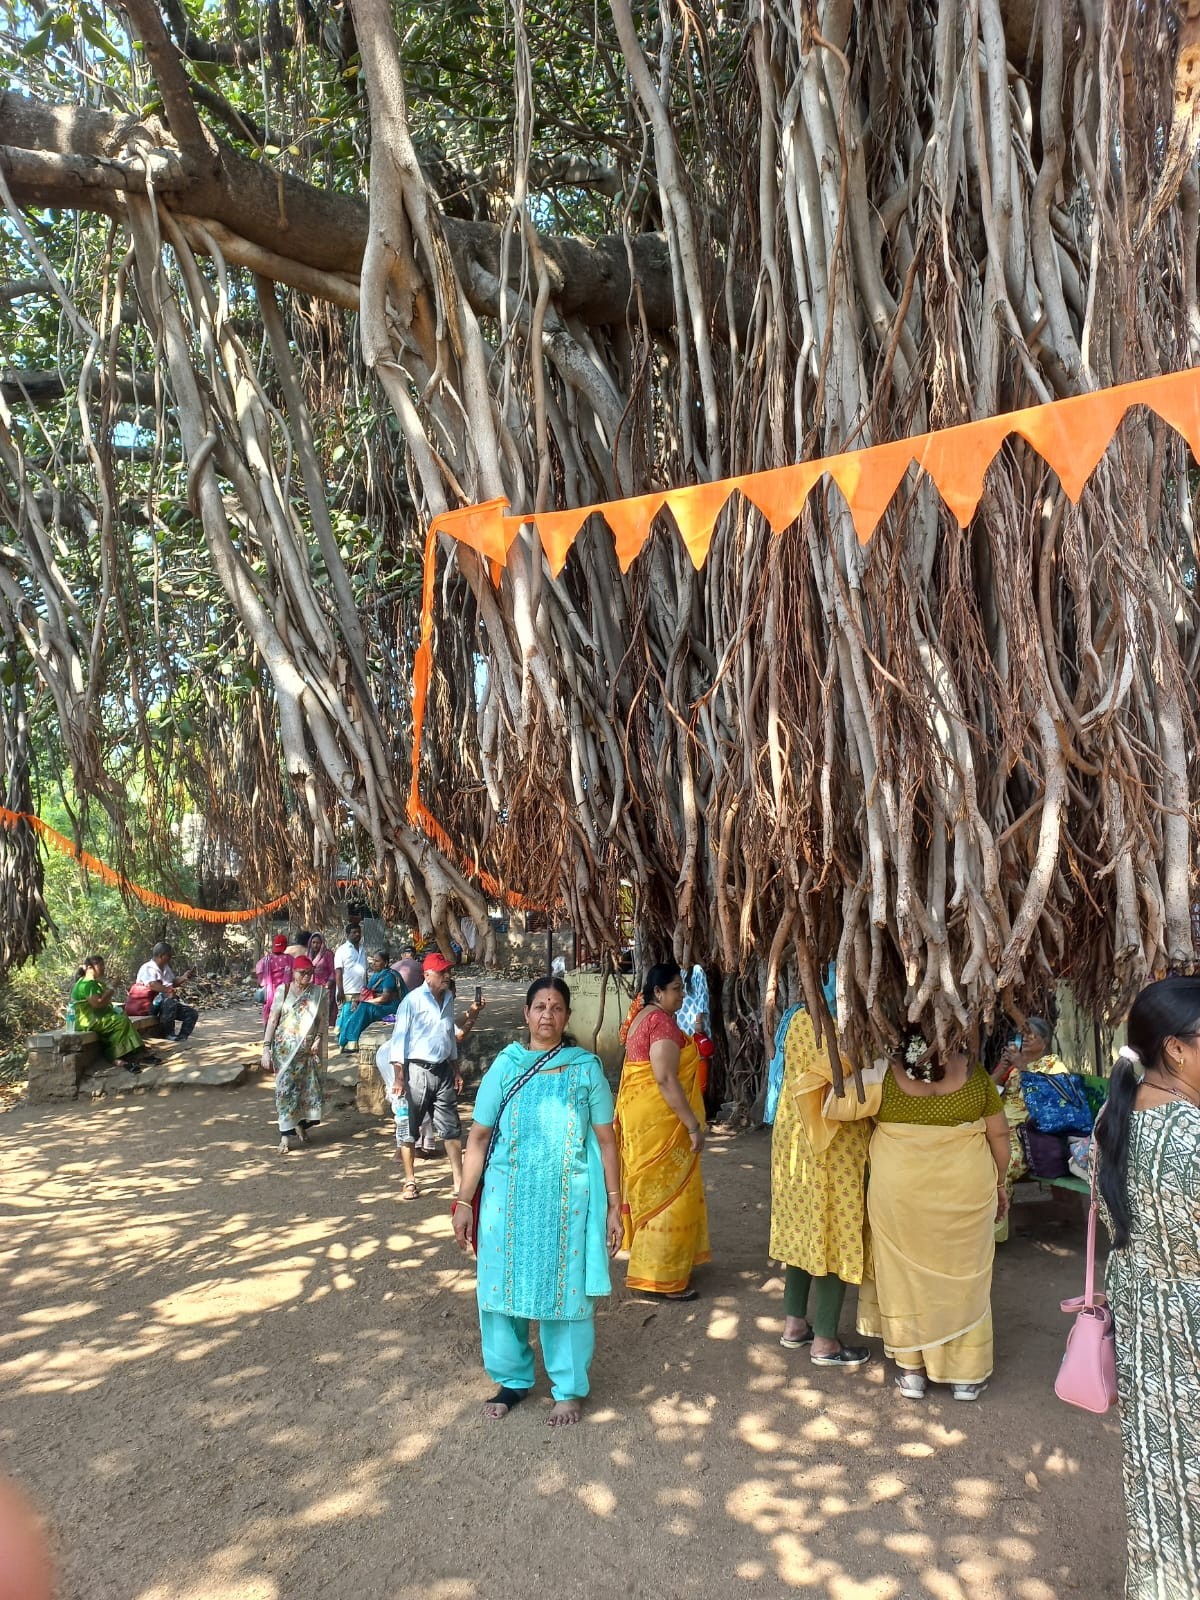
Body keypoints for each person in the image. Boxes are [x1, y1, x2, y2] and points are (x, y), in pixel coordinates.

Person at [452, 976, 623, 1425]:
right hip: (506, 1205)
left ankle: (568, 1388)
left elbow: (607, 1141)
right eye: (540, 1006)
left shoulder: (585, 1068)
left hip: (566, 1206)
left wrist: (613, 1204)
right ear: (526, 1014)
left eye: (557, 1007)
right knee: (501, 1289)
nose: (548, 1014)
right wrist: (465, 1201)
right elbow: (480, 1136)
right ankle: (512, 1381)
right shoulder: (506, 1066)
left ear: (567, 1016)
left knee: (564, 1294)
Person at [1094, 976, 1200, 1600]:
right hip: (1188, 1323)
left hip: (1143, 1325)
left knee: (1160, 1479)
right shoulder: (1192, 1137)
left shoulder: (1115, 1114)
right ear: (1178, 1049)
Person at [856, 1030, 1009, 1400]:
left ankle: (912, 1373)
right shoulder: (975, 1077)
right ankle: (966, 1377)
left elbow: (836, 1103)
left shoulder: (884, 1077)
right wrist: (1001, 1184)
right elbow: (1000, 1136)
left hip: (900, 1195)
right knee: (963, 1278)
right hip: (965, 1192)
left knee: (904, 1278)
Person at [770, 1005, 874, 1369]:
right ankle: (826, 1341)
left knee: (802, 1229)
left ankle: (795, 1324)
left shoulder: (797, 1016)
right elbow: (847, 1080)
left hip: (793, 1137)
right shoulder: (847, 1023)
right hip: (833, 1142)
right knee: (834, 1230)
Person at [614, 960, 711, 1301]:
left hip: (640, 1116)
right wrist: (692, 1125)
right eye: (676, 989)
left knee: (651, 1187)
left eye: (682, 988)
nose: (682, 995)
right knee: (669, 1191)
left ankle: (652, 1267)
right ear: (658, 992)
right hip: (660, 1121)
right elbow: (665, 1077)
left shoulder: (640, 1015)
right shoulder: (662, 1024)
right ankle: (664, 1276)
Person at [387, 952, 480, 1199]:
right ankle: (410, 1180)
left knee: (451, 1127)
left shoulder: (448, 998)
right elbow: (399, 1040)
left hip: (442, 1071)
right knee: (409, 1127)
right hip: (416, 1070)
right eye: (442, 972)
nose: (447, 976)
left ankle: (458, 1181)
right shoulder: (412, 1001)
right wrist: (398, 1076)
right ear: (428, 975)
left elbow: (448, 1036)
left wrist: (456, 1068)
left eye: (448, 971)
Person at [990, 1016, 1067, 1241]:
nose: (1023, 1039)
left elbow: (1045, 1101)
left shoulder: (1053, 1066)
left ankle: (994, 1234)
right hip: (999, 1129)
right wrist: (1002, 1069)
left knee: (999, 1168)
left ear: (1043, 1042)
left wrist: (1021, 1066)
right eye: (1021, 1035)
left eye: (1030, 1035)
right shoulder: (1013, 1066)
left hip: (1028, 1136)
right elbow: (988, 1093)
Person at [262, 955, 328, 1153]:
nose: (307, 977)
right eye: (302, 973)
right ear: (294, 973)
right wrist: (266, 1048)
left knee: (306, 1089)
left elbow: (322, 1021)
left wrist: (318, 1040)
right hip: (284, 1051)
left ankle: (301, 1124)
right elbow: (273, 1020)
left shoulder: (318, 993)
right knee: (285, 1090)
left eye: (310, 973)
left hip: (307, 1051)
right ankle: (285, 1136)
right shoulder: (284, 991)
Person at [69, 956, 159, 1072]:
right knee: (121, 1022)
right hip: (87, 1020)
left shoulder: (93, 983)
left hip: (95, 1017)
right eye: (100, 965)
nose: (103, 968)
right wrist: (112, 988)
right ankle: (120, 1055)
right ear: (90, 968)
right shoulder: (87, 984)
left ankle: (134, 1053)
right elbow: (98, 1003)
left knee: (122, 1017)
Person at [337, 949, 400, 1051]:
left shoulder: (388, 976)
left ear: (385, 963)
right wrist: (356, 1001)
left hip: (389, 1007)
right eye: (373, 961)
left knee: (365, 1007)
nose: (374, 964)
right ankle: (344, 1038)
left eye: (377, 961)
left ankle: (350, 1040)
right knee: (350, 1006)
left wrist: (366, 1002)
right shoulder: (375, 975)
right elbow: (368, 993)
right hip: (377, 1004)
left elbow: (385, 998)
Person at [134, 943, 198, 1041]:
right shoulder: (147, 968)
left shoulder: (165, 968)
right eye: (169, 955)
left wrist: (184, 977)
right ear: (161, 955)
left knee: (191, 1013)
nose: (170, 958)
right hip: (148, 1006)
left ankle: (182, 1037)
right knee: (170, 1001)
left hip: (164, 1005)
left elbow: (172, 982)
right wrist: (168, 990)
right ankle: (169, 1034)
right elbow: (151, 984)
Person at [254, 934, 294, 1028]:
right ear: (285, 946)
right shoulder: (290, 959)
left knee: (269, 1019)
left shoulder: (265, 960)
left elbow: (260, 978)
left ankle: (268, 1039)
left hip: (269, 995)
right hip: (286, 993)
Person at [333, 922, 368, 1016]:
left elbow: (365, 971)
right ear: (348, 935)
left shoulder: (362, 949)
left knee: (357, 1020)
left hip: (361, 992)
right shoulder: (342, 950)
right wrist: (340, 990)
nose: (357, 934)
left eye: (359, 932)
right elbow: (338, 971)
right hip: (347, 992)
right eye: (354, 932)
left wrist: (366, 988)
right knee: (344, 1019)